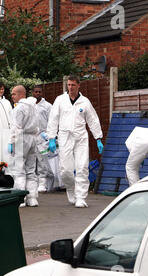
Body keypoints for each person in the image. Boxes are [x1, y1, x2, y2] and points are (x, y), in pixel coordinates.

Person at [47, 75, 104, 208]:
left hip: (80, 138)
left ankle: (81, 197)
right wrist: (51, 137)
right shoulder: (60, 100)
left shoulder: (84, 102)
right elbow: (53, 119)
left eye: (73, 85)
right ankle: (71, 190)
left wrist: (98, 139)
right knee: (65, 170)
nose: (70, 88)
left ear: (79, 85)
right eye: (69, 85)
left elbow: (93, 120)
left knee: (82, 167)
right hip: (64, 136)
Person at [8, 85, 40, 207]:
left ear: (21, 94)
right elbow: (38, 125)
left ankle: (20, 198)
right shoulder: (34, 107)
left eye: (14, 94)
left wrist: (11, 142)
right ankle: (32, 198)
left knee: (19, 169)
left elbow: (16, 127)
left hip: (21, 139)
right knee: (31, 170)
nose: (12, 96)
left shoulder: (18, 109)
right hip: (33, 138)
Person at [32, 84, 54, 193]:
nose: (37, 94)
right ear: (32, 93)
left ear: (42, 93)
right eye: (35, 92)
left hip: (43, 137)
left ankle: (43, 184)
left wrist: (50, 136)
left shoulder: (47, 106)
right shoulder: (30, 105)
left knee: (42, 162)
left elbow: (52, 122)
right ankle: (33, 184)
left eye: (39, 92)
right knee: (31, 161)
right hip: (31, 137)